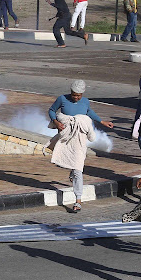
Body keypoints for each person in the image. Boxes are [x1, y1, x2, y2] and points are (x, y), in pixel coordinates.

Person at [48, 80, 114, 212]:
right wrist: (56, 122)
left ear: (82, 94)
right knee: (64, 161)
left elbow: (89, 112)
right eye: (73, 94)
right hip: (66, 136)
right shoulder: (62, 99)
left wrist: (102, 121)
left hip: (80, 138)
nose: (76, 97)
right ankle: (72, 171)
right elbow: (51, 110)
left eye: (78, 95)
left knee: (78, 167)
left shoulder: (86, 102)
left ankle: (78, 200)